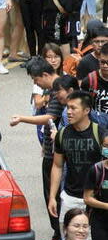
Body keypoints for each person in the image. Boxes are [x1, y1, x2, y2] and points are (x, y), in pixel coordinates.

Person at [49, 91, 106, 228]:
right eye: (67, 107)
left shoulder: (100, 133)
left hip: (95, 200)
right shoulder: (62, 134)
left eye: (73, 108)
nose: (69, 112)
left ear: (87, 110)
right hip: (70, 198)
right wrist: (52, 197)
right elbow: (57, 166)